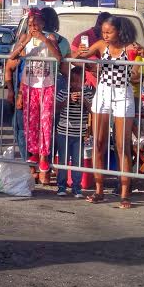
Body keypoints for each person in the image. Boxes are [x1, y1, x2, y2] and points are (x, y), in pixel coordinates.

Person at [79, 16, 138, 208]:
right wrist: (81, 54)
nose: (104, 35)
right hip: (103, 91)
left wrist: (141, 60)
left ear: (119, 31)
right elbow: (81, 58)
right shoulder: (100, 46)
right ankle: (98, 190)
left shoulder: (129, 48)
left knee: (122, 145)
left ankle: (124, 194)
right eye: (103, 32)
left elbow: (140, 71)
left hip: (123, 93)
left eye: (108, 32)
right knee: (98, 142)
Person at [8, 9, 62, 184]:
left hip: (46, 86)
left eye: (36, 24)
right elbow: (13, 56)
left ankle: (44, 158)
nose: (33, 27)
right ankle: (33, 155)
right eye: (30, 25)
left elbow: (58, 58)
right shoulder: (25, 37)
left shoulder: (50, 38)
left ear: (43, 24)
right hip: (29, 86)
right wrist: (26, 42)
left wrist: (44, 39)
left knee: (45, 124)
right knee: (30, 123)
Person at [55, 67, 94, 197]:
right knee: (63, 160)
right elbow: (56, 107)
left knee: (78, 161)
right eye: (73, 81)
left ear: (84, 81)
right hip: (63, 132)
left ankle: (77, 186)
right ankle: (61, 185)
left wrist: (84, 101)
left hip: (79, 133)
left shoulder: (88, 93)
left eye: (78, 82)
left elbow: (92, 110)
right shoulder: (64, 92)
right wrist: (68, 100)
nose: (75, 85)